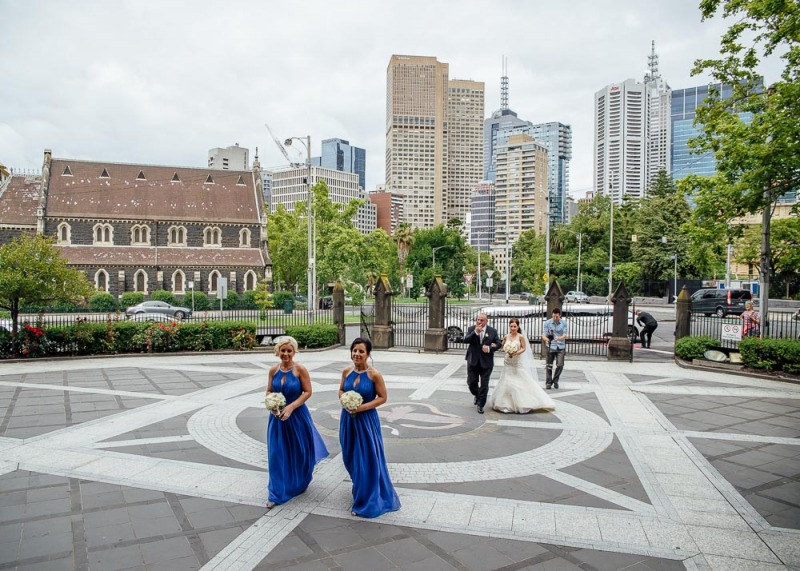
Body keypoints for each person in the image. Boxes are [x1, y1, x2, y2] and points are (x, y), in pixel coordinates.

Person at [339, 337, 401, 518]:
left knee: (366, 458)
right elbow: (341, 390)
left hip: (366, 421)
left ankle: (367, 499)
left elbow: (382, 397)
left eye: (361, 351)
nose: (357, 354)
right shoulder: (346, 372)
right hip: (348, 420)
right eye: (355, 350)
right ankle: (359, 486)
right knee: (350, 456)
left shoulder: (374, 374)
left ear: (368, 354)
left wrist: (360, 407)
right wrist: (345, 400)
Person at [265, 336, 329, 509]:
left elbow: (307, 392)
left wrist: (291, 407)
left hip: (298, 416)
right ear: (278, 351)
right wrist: (273, 406)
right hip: (277, 419)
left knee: (299, 451)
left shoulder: (300, 370)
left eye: (289, 350)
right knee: (276, 454)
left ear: (294, 352)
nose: (286, 354)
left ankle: (298, 481)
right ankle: (276, 492)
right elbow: (269, 391)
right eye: (283, 350)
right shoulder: (273, 370)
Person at [489, 318, 555, 413]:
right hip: (508, 361)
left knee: (519, 379)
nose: (513, 328)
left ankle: (523, 402)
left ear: (518, 327)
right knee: (506, 380)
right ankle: (505, 403)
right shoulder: (506, 336)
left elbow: (524, 348)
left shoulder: (521, 337)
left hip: (516, 361)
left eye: (514, 326)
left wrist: (516, 352)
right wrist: (500, 347)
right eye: (511, 326)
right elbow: (502, 346)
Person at [464, 312, 501, 414]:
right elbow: (465, 340)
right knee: (471, 383)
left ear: (486, 321)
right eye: (478, 320)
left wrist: (489, 348)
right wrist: (475, 332)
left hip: (486, 362)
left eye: (482, 320)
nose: (479, 322)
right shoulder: (471, 329)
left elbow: (499, 343)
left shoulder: (492, 331)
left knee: (484, 384)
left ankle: (481, 404)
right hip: (473, 360)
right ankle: (477, 394)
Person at [542, 308, 568, 389]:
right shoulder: (547, 323)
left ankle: (555, 380)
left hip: (560, 346)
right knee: (549, 365)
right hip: (550, 346)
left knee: (560, 364)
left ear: (560, 315)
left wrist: (559, 338)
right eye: (554, 316)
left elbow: (565, 335)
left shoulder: (564, 323)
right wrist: (546, 339)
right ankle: (548, 382)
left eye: (557, 316)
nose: (555, 318)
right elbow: (544, 334)